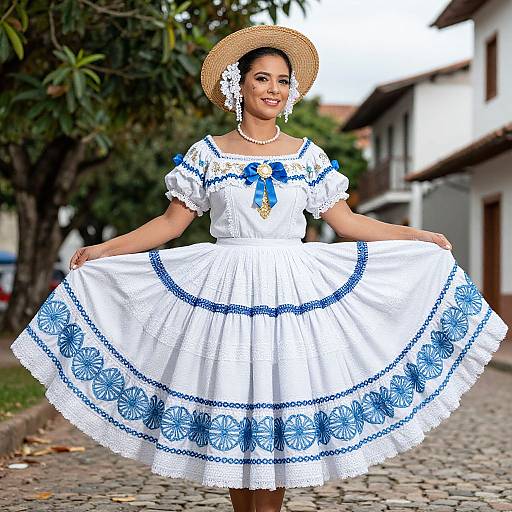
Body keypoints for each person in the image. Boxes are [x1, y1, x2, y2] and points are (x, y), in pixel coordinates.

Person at [10, 24, 508, 512]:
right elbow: (168, 224)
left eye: (283, 80)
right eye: (263, 78)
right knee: (238, 418)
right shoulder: (208, 154)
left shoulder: (308, 156)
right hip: (224, 293)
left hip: (291, 293)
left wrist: (415, 235)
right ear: (239, 84)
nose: (274, 89)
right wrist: (105, 250)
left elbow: (348, 220)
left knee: (278, 413)